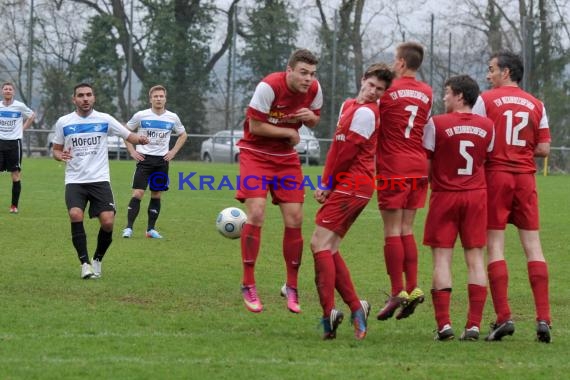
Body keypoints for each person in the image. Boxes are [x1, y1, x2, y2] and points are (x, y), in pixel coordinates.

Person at [472, 50, 552, 343]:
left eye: (491, 68)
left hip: (496, 177)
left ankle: (504, 316)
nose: (488, 74)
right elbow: (543, 149)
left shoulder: (485, 99)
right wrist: (520, 151)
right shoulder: (537, 104)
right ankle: (544, 318)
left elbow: (475, 135)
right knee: (534, 247)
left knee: (494, 247)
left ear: (506, 72)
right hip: (525, 179)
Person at [235, 48, 323, 313]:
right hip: (255, 155)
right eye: (303, 72)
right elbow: (255, 127)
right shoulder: (268, 87)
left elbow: (316, 120)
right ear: (290, 71)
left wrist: (312, 119)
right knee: (257, 213)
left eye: (312, 73)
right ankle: (248, 282)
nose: (308, 78)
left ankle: (292, 286)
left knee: (295, 219)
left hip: (286, 158)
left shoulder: (315, 89)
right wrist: (288, 131)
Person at [312, 63, 394, 340]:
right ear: (362, 80)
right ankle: (355, 309)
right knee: (329, 248)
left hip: (354, 184)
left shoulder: (366, 114)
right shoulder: (349, 105)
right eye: (371, 85)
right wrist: (327, 182)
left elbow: (346, 154)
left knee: (318, 244)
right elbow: (336, 148)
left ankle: (330, 314)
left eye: (379, 90)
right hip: (350, 184)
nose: (373, 92)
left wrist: (327, 184)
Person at [422, 75, 494, 341]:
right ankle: (474, 325)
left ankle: (444, 326)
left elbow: (427, 165)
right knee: (475, 259)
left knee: (442, 259)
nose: (444, 97)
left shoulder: (437, 123)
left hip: (445, 196)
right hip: (475, 196)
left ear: (460, 96)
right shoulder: (488, 125)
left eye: (447, 93)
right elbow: (485, 159)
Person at [52, 83, 149, 279]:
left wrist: (141, 140)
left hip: (99, 180)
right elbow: (56, 149)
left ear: (94, 98)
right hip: (75, 180)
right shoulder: (64, 122)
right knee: (75, 214)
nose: (85, 98)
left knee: (107, 222)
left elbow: (129, 136)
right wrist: (59, 155)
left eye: (88, 95)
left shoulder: (105, 119)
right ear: (74, 99)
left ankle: (97, 259)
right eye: (80, 95)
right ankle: (85, 264)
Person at [375, 42, 433, 321]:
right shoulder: (427, 92)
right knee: (407, 229)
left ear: (400, 63)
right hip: (418, 166)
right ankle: (413, 287)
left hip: (393, 167)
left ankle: (397, 290)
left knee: (391, 230)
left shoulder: (387, 93)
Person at [121, 85, 187, 239]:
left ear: (165, 99)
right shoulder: (141, 115)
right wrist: (132, 151)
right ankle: (128, 228)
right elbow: (125, 131)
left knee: (156, 194)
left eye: (161, 96)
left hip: (162, 161)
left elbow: (183, 135)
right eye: (155, 96)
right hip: (144, 159)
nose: (158, 99)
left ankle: (150, 230)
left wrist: (173, 152)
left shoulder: (172, 117)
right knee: (138, 193)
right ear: (150, 99)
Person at [0, 82, 35, 213]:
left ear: (13, 92)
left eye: (10, 89)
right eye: (5, 89)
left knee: (15, 175)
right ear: (2, 91)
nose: (8, 91)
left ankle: (14, 206)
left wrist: (22, 129)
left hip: (14, 144)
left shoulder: (19, 106)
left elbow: (32, 115)